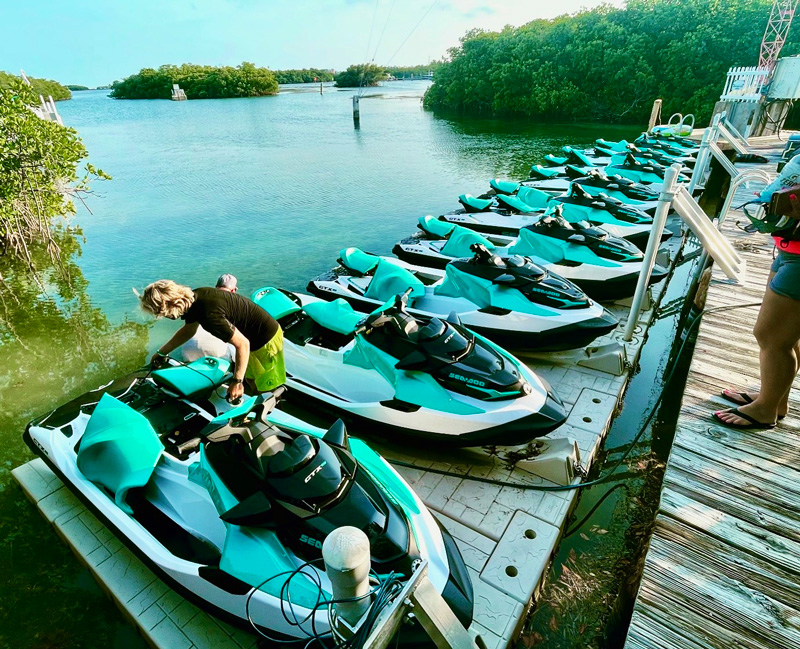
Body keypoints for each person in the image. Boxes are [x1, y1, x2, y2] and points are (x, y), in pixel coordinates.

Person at [714, 193, 800, 429]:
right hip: (789, 248)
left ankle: (765, 410)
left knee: (771, 338)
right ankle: (774, 400)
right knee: (787, 337)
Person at [140, 279, 285, 402]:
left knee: (268, 389)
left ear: (169, 306)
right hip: (251, 338)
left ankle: (271, 412)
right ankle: (252, 399)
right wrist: (161, 352)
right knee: (252, 379)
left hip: (265, 339)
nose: (163, 317)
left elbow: (242, 344)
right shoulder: (195, 298)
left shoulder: (209, 316)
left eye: (161, 313)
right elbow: (189, 331)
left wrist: (236, 382)